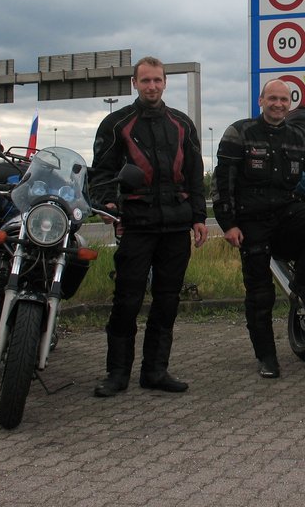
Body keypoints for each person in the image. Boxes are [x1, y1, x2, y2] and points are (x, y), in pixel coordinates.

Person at [212, 79, 305, 379]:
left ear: (290, 103)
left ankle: (304, 283)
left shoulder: (301, 137)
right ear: (261, 101)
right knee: (260, 295)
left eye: (284, 99)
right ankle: (267, 357)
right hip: (252, 220)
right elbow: (222, 182)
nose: (278, 104)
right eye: (272, 98)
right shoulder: (239, 132)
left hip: (287, 211)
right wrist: (228, 224)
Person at [89, 56, 208, 397]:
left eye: (157, 80)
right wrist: (106, 203)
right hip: (136, 225)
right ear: (135, 84)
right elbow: (101, 173)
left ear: (165, 82)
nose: (152, 86)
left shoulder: (182, 124)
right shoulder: (116, 123)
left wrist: (199, 217)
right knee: (127, 300)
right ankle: (117, 374)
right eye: (145, 81)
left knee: (167, 301)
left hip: (176, 226)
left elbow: (195, 174)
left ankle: (155, 371)